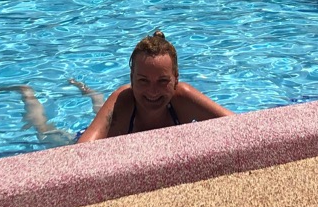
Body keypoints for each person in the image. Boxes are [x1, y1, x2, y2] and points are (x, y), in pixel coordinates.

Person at [78, 30, 233, 141]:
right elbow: (82, 151)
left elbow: (239, 125)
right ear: (132, 79)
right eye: (143, 81)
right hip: (86, 133)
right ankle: (95, 97)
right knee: (57, 136)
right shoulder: (121, 101)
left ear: (176, 80)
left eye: (163, 81)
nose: (153, 92)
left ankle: (96, 97)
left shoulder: (183, 98)